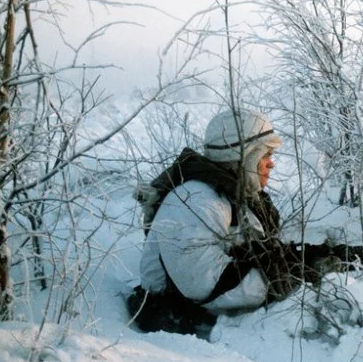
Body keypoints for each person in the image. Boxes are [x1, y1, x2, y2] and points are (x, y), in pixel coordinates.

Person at [127, 108, 300, 337]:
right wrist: (287, 277)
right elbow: (203, 285)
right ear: (245, 158)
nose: (271, 165)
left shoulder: (234, 195)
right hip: (183, 338)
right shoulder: (195, 199)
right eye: (265, 155)